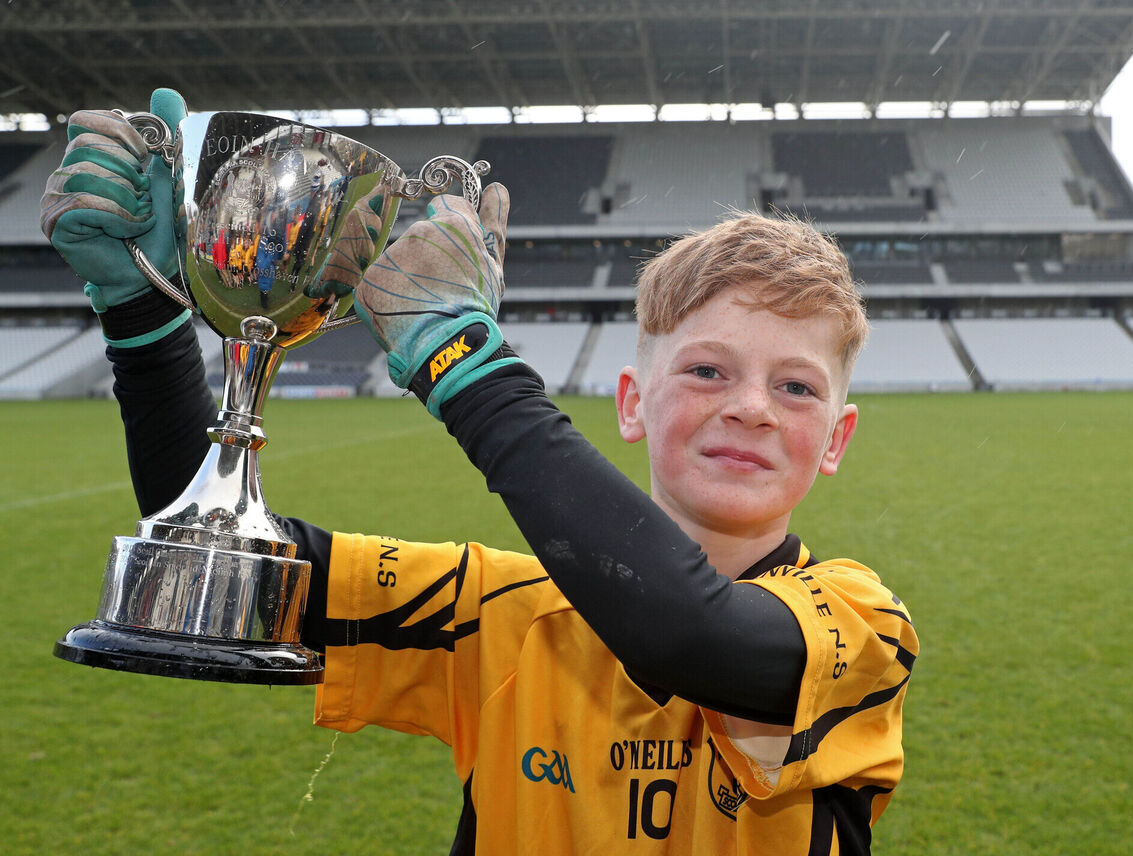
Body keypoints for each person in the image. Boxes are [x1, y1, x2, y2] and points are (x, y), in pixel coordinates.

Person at [41, 89, 917, 854]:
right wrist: (144, 321)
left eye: (795, 386)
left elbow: (691, 635)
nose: (751, 407)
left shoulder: (865, 627)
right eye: (706, 370)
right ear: (631, 404)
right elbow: (209, 552)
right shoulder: (492, 613)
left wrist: (465, 365)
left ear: (836, 440)